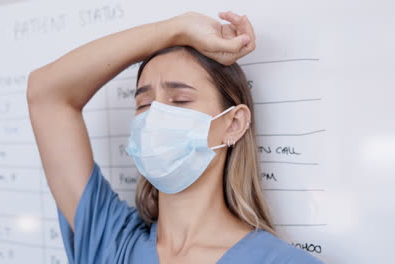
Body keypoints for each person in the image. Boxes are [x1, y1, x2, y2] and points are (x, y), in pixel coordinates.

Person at [27, 10, 324, 264]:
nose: (155, 117)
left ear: (233, 124)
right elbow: (46, 93)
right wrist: (175, 29)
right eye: (143, 104)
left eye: (180, 101)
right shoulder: (111, 242)